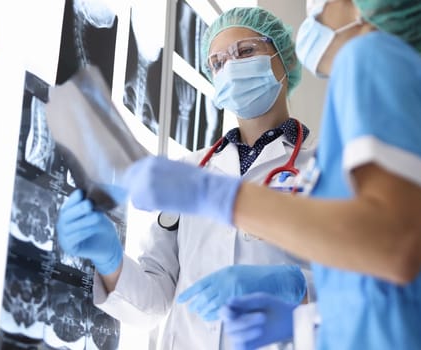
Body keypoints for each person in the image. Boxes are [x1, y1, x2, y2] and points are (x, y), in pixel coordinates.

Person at [124, 0, 421, 349]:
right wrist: (300, 322)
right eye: (217, 62)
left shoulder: (369, 57)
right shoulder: (392, 72)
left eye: (246, 52)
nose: (312, 11)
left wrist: (214, 195)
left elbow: (392, 247)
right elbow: (385, 279)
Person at [56, 7, 317, 349]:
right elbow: (155, 302)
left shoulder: (323, 168)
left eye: (246, 51)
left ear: (284, 61)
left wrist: (295, 283)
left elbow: (362, 283)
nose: (231, 67)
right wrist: (111, 262)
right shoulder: (191, 171)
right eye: (218, 63)